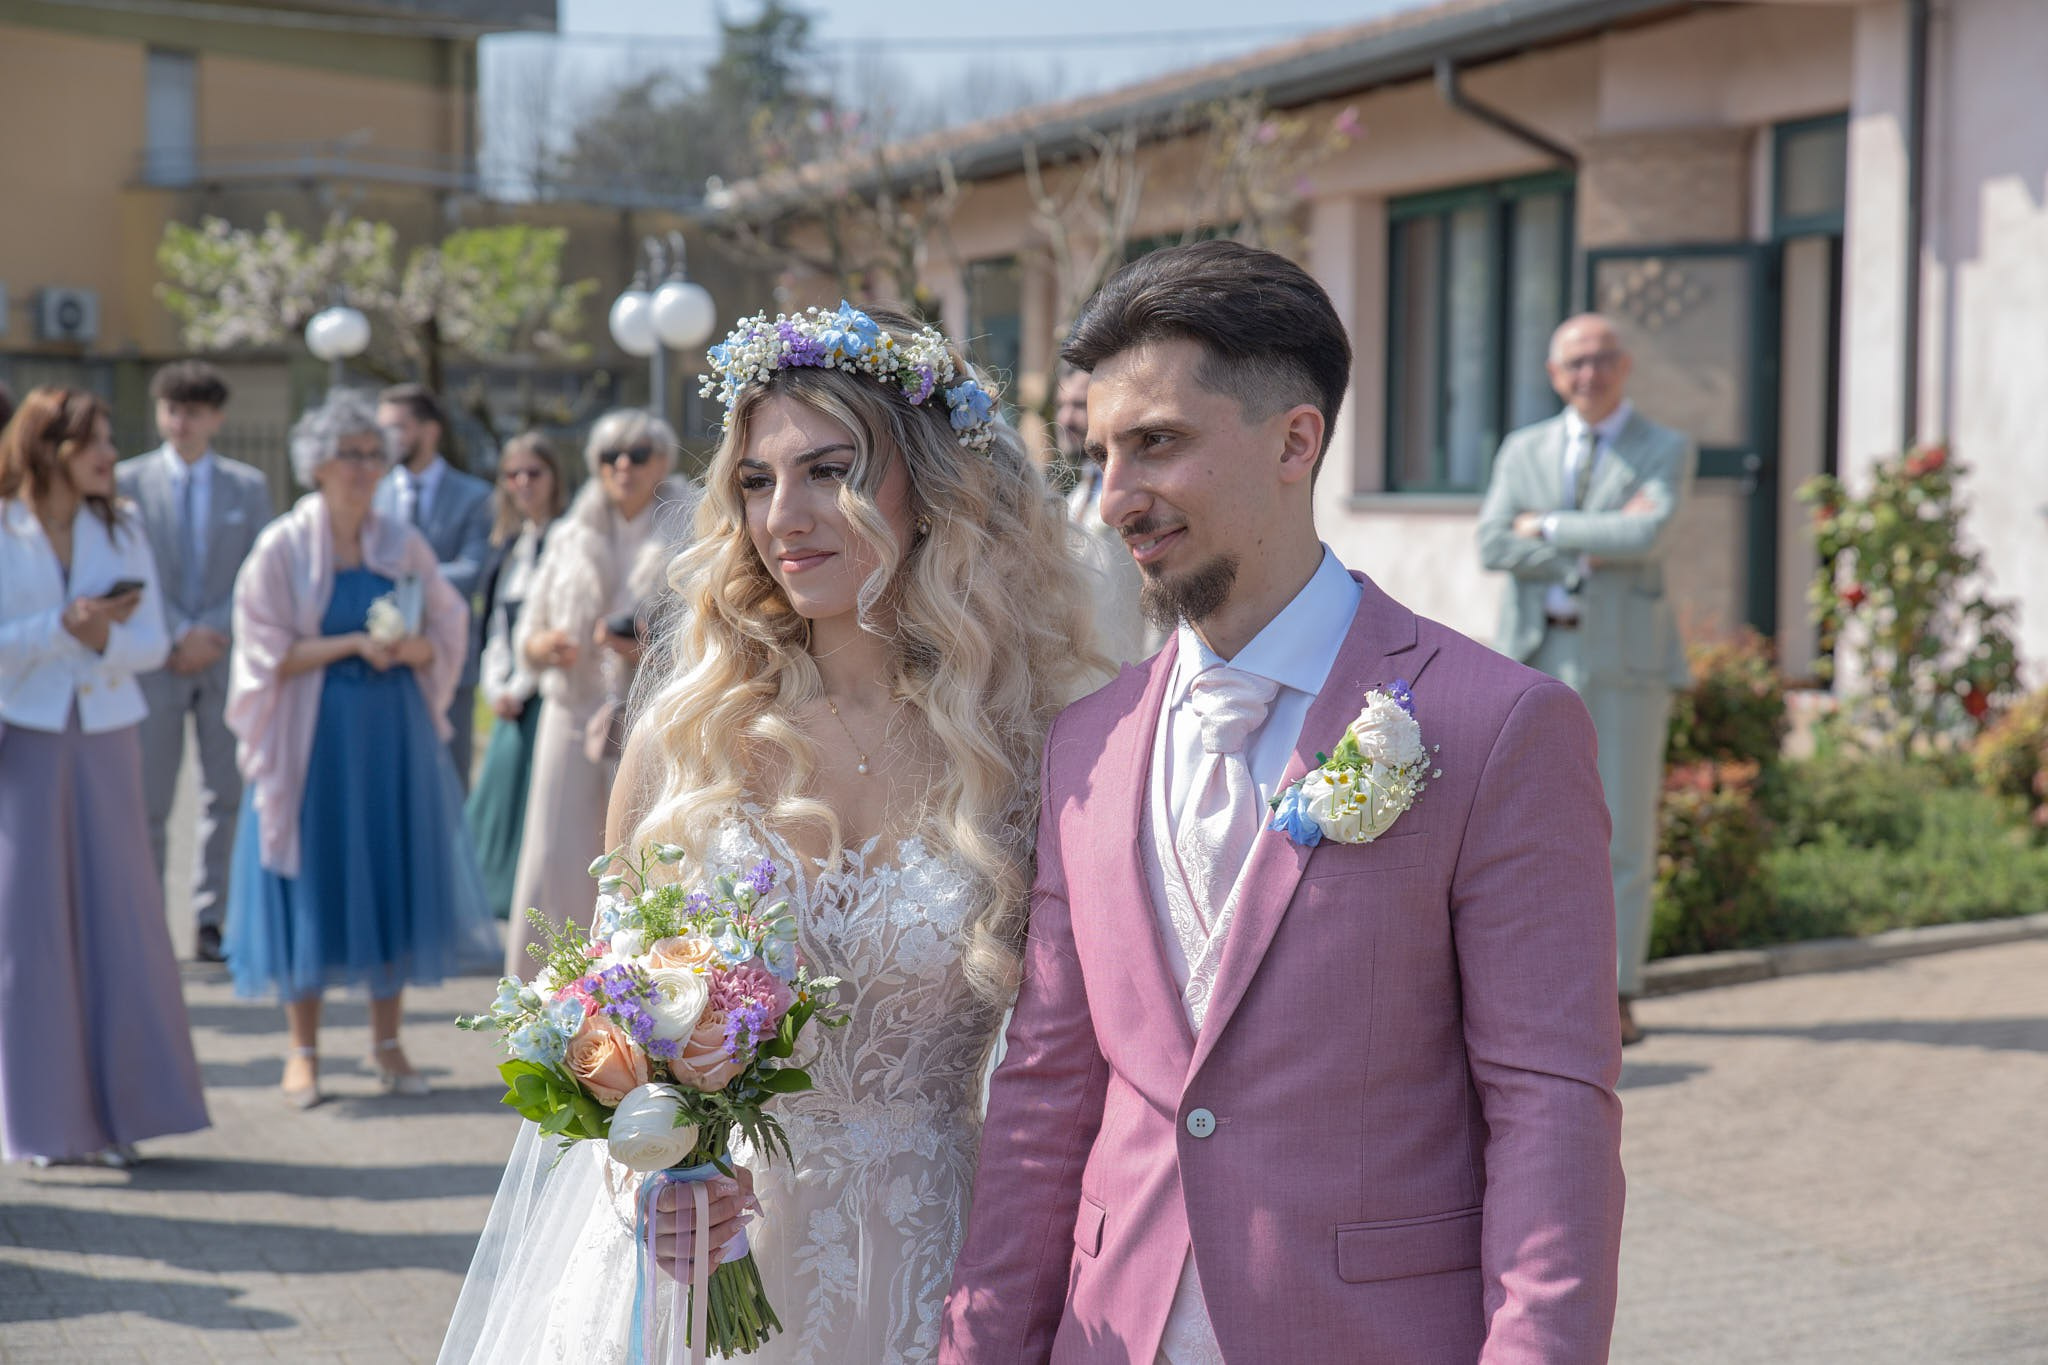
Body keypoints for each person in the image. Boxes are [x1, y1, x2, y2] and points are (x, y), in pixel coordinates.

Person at [940, 242, 1626, 1362]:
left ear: (1293, 441)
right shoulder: (1086, 743)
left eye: (1154, 443)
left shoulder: (1494, 726)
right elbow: (1042, 1097)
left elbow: (1550, 1113)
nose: (1114, 497)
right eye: (1098, 453)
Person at [439, 303, 1102, 1364]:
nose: (783, 515)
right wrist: (644, 1177)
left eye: (829, 471)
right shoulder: (687, 743)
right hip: (692, 1264)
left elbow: (1077, 1065)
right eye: (755, 480)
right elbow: (609, 1035)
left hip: (933, 1262)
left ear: (928, 491)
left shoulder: (1031, 754)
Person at [223, 389, 495, 1108]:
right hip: (313, 738)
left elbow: (448, 623)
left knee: (388, 872)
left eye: (376, 454)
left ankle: (387, 1042)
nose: (366, 468)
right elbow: (261, 652)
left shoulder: (401, 541)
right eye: (352, 455)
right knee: (310, 875)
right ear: (316, 462)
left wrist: (414, 648)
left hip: (390, 734)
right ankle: (302, 1050)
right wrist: (352, 643)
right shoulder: (282, 545)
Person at [0, 387, 209, 1167]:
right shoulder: (4, 524)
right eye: (92, 440)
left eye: (109, 438)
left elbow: (151, 641)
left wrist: (95, 638)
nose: (109, 454)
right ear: (48, 444)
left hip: (107, 736)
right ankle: (47, 1127)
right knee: (31, 935)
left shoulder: (119, 525)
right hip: (24, 738)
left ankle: (123, 1117)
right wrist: (61, 628)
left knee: (121, 922)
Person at [1477, 313, 1697, 1047]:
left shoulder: (1664, 448)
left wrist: (1548, 526)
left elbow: (1648, 535)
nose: (1588, 375)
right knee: (1525, 830)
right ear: (1553, 373)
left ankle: (1618, 990)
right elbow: (1491, 541)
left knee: (1622, 836)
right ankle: (1532, 986)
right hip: (1534, 657)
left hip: (1624, 664)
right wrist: (1589, 537)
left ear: (1626, 366)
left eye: (1602, 359)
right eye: (1574, 363)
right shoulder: (1523, 448)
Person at [499, 409, 693, 976]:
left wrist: (650, 650)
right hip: (572, 707)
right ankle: (548, 1002)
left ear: (664, 458)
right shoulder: (569, 532)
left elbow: (715, 629)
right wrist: (545, 646)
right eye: (610, 456)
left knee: (645, 858)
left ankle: (642, 993)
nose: (623, 466)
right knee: (556, 857)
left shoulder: (694, 523)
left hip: (655, 714)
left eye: (637, 452)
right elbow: (524, 636)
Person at [118, 360, 275, 963]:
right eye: (172, 409)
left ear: (217, 417)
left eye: (193, 411)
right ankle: (147, 917)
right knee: (149, 798)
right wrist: (174, 632)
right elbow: (129, 569)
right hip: (153, 657)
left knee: (224, 794)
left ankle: (213, 919)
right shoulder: (128, 482)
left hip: (222, 656)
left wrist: (210, 629)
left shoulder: (247, 485)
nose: (181, 422)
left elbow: (256, 574)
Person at [465, 431, 567, 919]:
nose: (523, 483)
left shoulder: (567, 541)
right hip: (512, 697)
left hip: (546, 693)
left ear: (555, 476)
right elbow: (498, 630)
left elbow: (556, 624)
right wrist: (497, 688)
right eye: (513, 474)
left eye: (534, 472)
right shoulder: (508, 546)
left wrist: (520, 685)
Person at [374, 383, 494, 785]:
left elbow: (473, 571)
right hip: (381, 661)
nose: (386, 439)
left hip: (449, 657)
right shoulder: (372, 495)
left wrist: (407, 581)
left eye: (397, 427)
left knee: (448, 785)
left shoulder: (476, 496)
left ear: (430, 431)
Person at [1055, 363, 1161, 665]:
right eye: (1061, 406)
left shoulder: (1141, 498)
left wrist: (1154, 684)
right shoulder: (1074, 499)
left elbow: (1162, 601)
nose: (1065, 419)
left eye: (1078, 406)